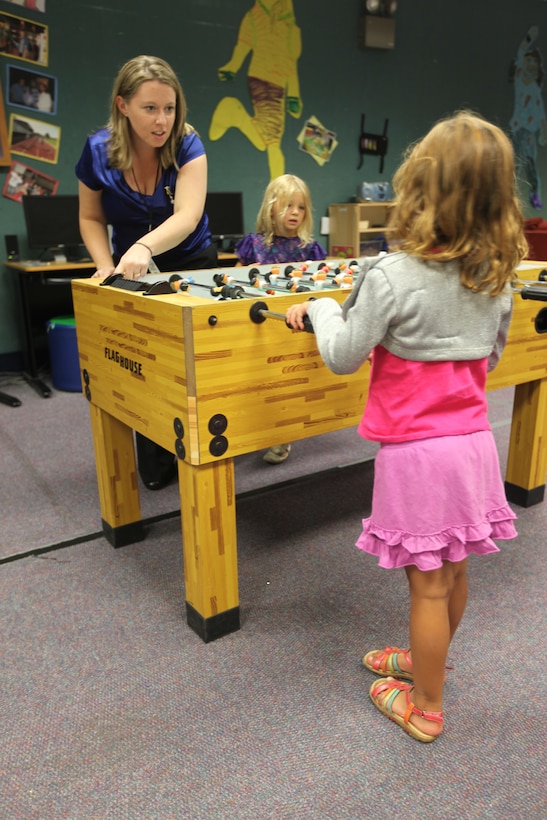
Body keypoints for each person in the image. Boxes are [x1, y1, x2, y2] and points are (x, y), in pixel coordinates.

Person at [286, 111, 527, 742]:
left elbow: (342, 355)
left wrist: (316, 308)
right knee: (454, 572)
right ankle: (433, 660)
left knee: (426, 586)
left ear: (420, 189)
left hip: (417, 456)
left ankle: (424, 703)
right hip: (474, 445)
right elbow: (490, 356)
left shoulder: (389, 275)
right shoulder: (496, 279)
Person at [76, 55, 218, 490]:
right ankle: (159, 460)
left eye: (170, 108)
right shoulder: (98, 151)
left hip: (189, 260)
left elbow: (188, 216)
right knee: (146, 361)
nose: (162, 121)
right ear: (123, 105)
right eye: (149, 108)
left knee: (198, 366)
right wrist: (104, 265)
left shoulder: (187, 143)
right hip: (129, 268)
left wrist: (143, 245)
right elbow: (90, 217)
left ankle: (205, 453)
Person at [236, 173, 326, 464]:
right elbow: (236, 282)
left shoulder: (309, 249)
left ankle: (281, 436)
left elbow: (322, 285)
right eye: (288, 206)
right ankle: (256, 428)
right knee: (261, 380)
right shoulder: (255, 245)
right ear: (271, 207)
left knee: (289, 380)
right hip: (262, 322)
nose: (295, 213)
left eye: (301, 207)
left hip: (295, 324)